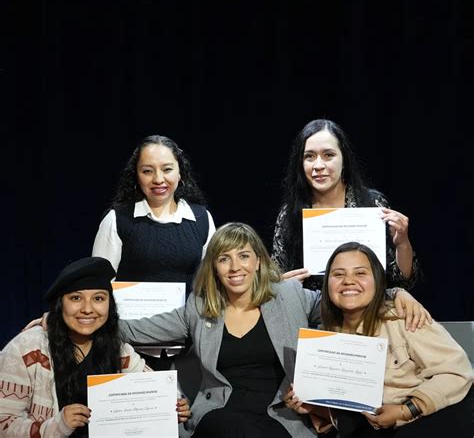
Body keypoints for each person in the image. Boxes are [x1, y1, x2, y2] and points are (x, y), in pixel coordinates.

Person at [117, 223, 431, 437]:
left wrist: (395, 293)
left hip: (280, 415)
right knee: (227, 427)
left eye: (243, 256)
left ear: (258, 261)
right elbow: (132, 329)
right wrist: (88, 313)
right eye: (224, 259)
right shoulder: (200, 307)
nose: (235, 267)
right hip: (220, 413)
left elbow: (345, 296)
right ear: (213, 266)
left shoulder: (289, 295)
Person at [284, 242, 473, 437]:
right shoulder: (326, 338)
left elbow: (457, 372)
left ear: (377, 280)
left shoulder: (404, 317)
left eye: (360, 273)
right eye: (338, 274)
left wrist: (407, 410)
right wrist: (314, 406)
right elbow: (353, 415)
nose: (348, 281)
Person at [0, 257, 191, 437]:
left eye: (98, 299)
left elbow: (155, 387)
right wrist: (58, 425)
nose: (88, 308)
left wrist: (173, 404)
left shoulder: (118, 349)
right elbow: (4, 425)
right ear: (60, 304)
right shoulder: (26, 348)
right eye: (76, 298)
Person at [92, 134, 216, 371]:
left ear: (180, 173)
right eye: (147, 171)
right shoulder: (117, 220)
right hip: (128, 351)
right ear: (136, 176)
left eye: (167, 169)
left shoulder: (202, 219)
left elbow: (212, 284)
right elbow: (98, 286)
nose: (158, 179)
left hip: (190, 351)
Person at [272, 119, 422, 291]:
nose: (318, 165)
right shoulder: (290, 214)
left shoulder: (372, 204)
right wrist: (282, 284)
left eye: (328, 155)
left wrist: (402, 243)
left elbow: (402, 281)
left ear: (344, 159)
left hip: (366, 310)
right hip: (311, 313)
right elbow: (275, 279)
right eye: (309, 156)